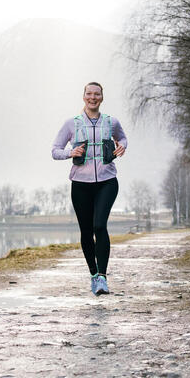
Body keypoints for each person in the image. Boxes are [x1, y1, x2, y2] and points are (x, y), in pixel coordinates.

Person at [51, 82, 127, 296]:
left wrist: (122, 146)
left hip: (107, 181)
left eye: (97, 94)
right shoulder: (71, 124)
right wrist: (70, 152)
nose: (93, 97)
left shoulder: (112, 122)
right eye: (89, 94)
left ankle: (103, 277)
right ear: (83, 97)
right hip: (80, 184)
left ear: (102, 98)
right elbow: (55, 151)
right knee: (86, 230)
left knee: (99, 225)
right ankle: (93, 275)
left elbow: (122, 137)